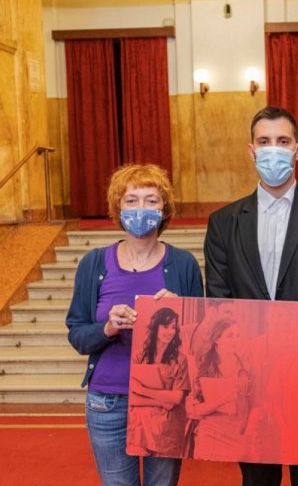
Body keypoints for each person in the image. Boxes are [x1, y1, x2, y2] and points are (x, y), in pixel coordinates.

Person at [204, 106, 298, 486]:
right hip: (248, 375)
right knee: (257, 478)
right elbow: (219, 298)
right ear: (251, 150)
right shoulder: (223, 222)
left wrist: (293, 353)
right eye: (264, 141)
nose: (273, 149)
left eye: (282, 141)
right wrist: (251, 356)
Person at [66, 164, 203, 485]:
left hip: (164, 399)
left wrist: (180, 314)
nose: (141, 208)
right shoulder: (94, 263)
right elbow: (78, 334)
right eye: (131, 200)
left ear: (164, 209)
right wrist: (107, 328)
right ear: (118, 207)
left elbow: (202, 340)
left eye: (151, 200)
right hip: (107, 401)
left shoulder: (183, 264)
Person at [187, 317, 259, 461]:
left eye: (238, 336)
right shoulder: (204, 369)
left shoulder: (246, 367)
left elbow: (255, 404)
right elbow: (194, 410)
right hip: (210, 434)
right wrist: (224, 400)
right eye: (230, 336)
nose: (235, 340)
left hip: (238, 435)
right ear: (217, 339)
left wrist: (248, 434)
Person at [127, 307, 189, 458]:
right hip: (140, 427)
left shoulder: (181, 360)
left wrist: (143, 390)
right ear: (155, 327)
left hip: (167, 429)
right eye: (165, 326)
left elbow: (176, 399)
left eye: (173, 327)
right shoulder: (139, 357)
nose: (170, 331)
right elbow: (132, 398)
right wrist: (163, 401)